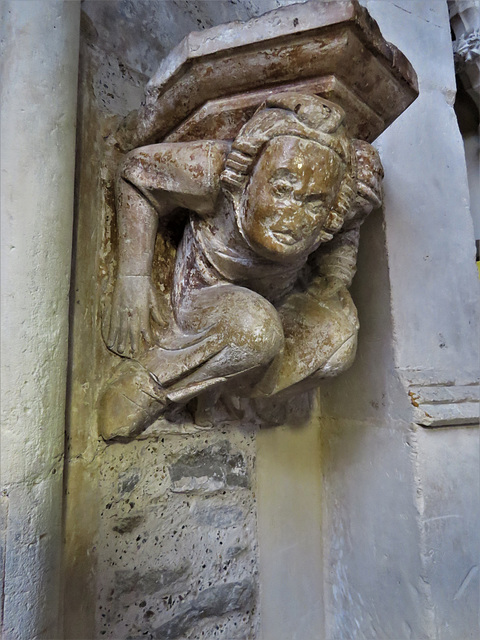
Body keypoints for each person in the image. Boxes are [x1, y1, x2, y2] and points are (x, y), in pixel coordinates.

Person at [99, 92, 383, 440]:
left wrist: (334, 281)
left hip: (277, 299)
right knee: (255, 329)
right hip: (204, 295)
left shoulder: (345, 196)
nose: (292, 216)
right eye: (281, 189)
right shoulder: (217, 169)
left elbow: (347, 228)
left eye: (313, 202)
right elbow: (135, 173)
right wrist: (133, 280)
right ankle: (148, 381)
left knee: (340, 338)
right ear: (247, 173)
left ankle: (220, 385)